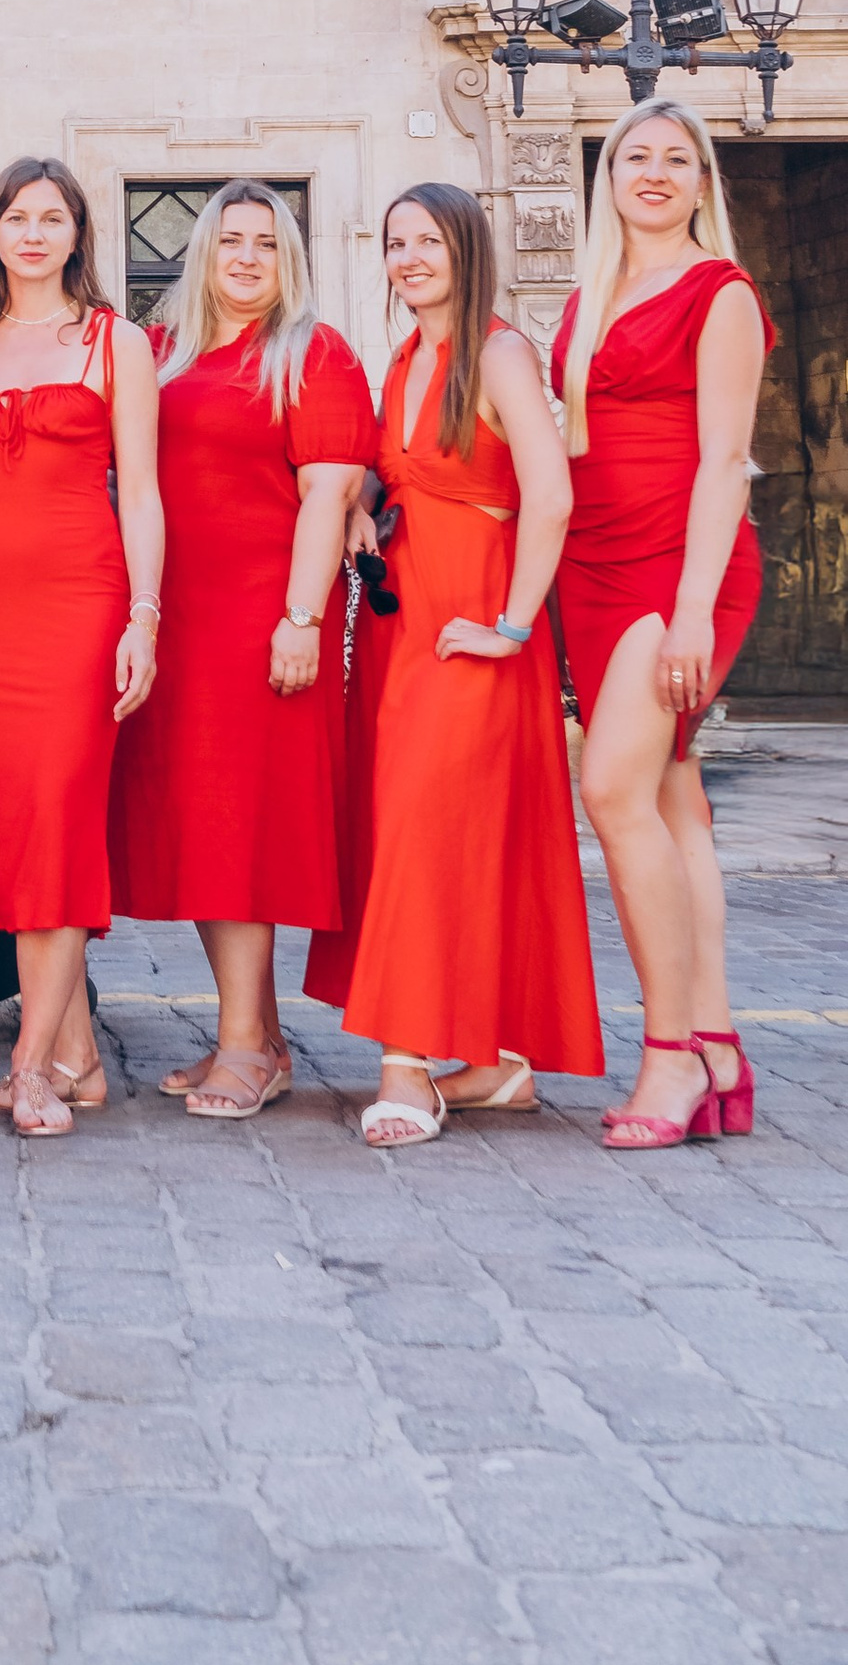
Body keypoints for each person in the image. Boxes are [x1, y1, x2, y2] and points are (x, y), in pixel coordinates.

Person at [305, 183, 600, 1145]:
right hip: (405, 624)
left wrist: (513, 627)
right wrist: (359, 507)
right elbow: (406, 476)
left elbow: (550, 497)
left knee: (428, 831)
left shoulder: (499, 352)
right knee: (420, 826)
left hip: (473, 626)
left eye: (427, 241)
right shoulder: (405, 357)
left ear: (468, 248)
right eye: (394, 243)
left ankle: (407, 1068)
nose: (409, 258)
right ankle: (493, 1065)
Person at [109, 181, 375, 1122]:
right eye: (232, 241)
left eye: (267, 242)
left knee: (241, 834)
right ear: (203, 254)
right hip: (174, 620)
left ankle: (241, 1048)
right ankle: (257, 1038)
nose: (249, 258)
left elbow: (328, 494)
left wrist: (301, 617)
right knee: (202, 827)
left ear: (289, 257)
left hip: (262, 624)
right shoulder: (164, 350)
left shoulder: (314, 351)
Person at [0, 158, 161, 1139]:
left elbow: (141, 492)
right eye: (15, 217)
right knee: (14, 830)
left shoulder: (116, 342)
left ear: (76, 236)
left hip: (80, 606)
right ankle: (78, 1057)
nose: (32, 233)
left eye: (50, 218)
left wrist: (145, 616)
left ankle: (30, 1063)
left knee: (58, 821)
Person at [552, 97, 774, 1152]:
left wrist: (691, 612)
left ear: (700, 182)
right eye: (633, 156)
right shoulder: (591, 291)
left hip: (675, 569)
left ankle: (671, 1056)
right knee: (676, 804)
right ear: (609, 178)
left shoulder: (718, 293)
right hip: (592, 566)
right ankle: (722, 1044)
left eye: (675, 159)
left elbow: (726, 460)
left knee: (611, 790)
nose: (652, 172)